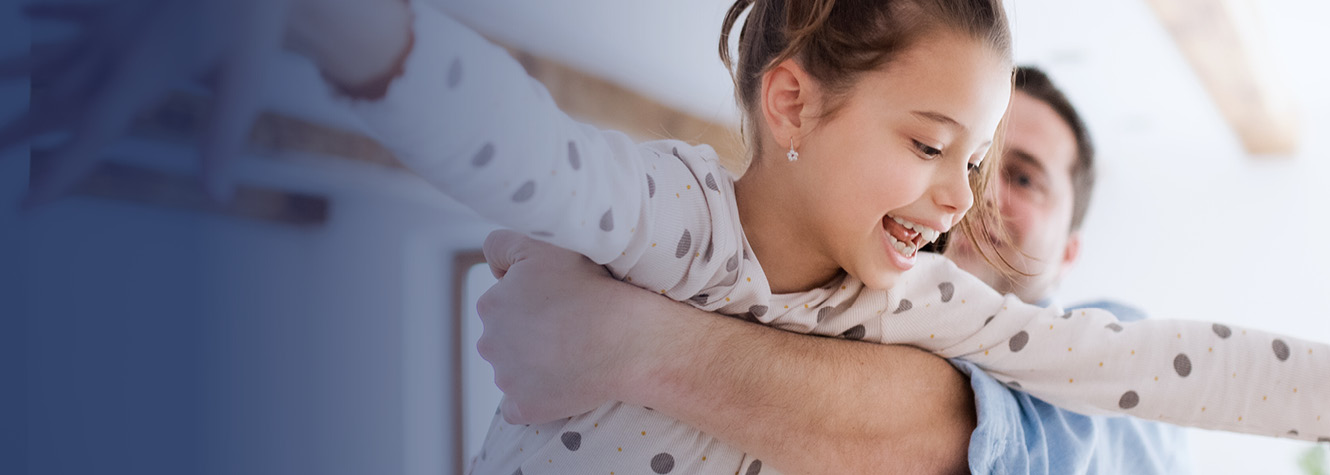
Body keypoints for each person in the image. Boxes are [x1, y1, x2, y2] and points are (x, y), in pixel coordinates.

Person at [472, 66, 1193, 473]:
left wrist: (621, 340)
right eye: (960, 156)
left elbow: (1013, 449)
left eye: (1024, 177)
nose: (972, 193)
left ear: (1071, 247)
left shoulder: (1111, 344)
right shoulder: (828, 296)